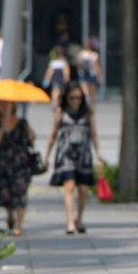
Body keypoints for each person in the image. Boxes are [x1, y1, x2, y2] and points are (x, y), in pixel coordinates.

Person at [45, 82, 103, 235]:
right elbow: (53, 135)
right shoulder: (61, 112)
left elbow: (94, 134)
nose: (75, 101)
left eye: (78, 97)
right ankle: (70, 222)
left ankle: (80, 218)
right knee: (69, 186)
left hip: (83, 155)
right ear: (66, 98)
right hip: (66, 154)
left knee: (83, 189)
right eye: (72, 98)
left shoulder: (87, 113)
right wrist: (46, 156)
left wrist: (99, 157)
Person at [0, 101, 37, 236]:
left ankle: (19, 225)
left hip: (21, 163)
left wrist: (29, 134)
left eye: (9, 104)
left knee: (20, 192)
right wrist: (3, 126)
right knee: (5, 192)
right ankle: (10, 215)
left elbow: (32, 137)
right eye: (2, 104)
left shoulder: (21, 122)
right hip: (4, 163)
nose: (6, 106)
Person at [76, 40, 102, 108]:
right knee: (92, 91)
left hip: (83, 73)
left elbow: (78, 65)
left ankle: (86, 102)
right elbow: (97, 66)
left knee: (85, 90)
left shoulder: (80, 54)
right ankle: (92, 105)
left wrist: (79, 72)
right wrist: (99, 76)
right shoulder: (94, 55)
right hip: (92, 74)